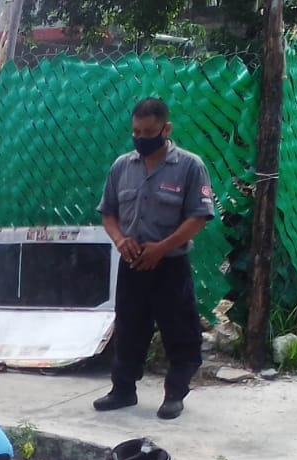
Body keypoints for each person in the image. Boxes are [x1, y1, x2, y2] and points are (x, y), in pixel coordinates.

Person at [94, 97, 215, 421]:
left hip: (170, 265)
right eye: (136, 131)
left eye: (149, 131)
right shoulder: (122, 166)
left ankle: (175, 393)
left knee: (180, 331)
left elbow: (199, 217)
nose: (142, 137)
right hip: (132, 265)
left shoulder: (190, 166)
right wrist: (121, 241)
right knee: (129, 328)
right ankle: (123, 390)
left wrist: (161, 247)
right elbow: (108, 213)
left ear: (166, 128)